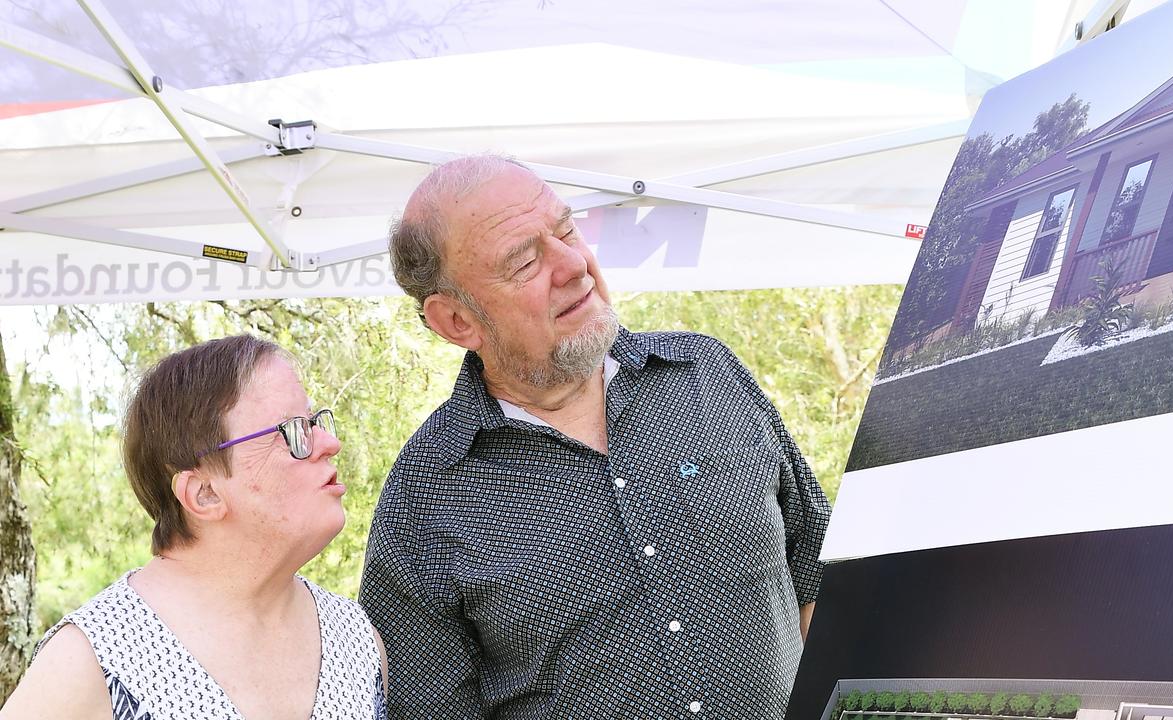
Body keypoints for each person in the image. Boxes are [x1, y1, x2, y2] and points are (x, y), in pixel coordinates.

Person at [360, 155, 831, 719]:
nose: (574, 266)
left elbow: (818, 578)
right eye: (525, 262)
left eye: (566, 231)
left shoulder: (708, 375)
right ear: (458, 321)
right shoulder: (425, 497)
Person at [0, 335, 387, 720]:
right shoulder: (93, 664)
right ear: (203, 494)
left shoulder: (354, 638)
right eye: (293, 431)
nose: (329, 443)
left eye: (315, 422)